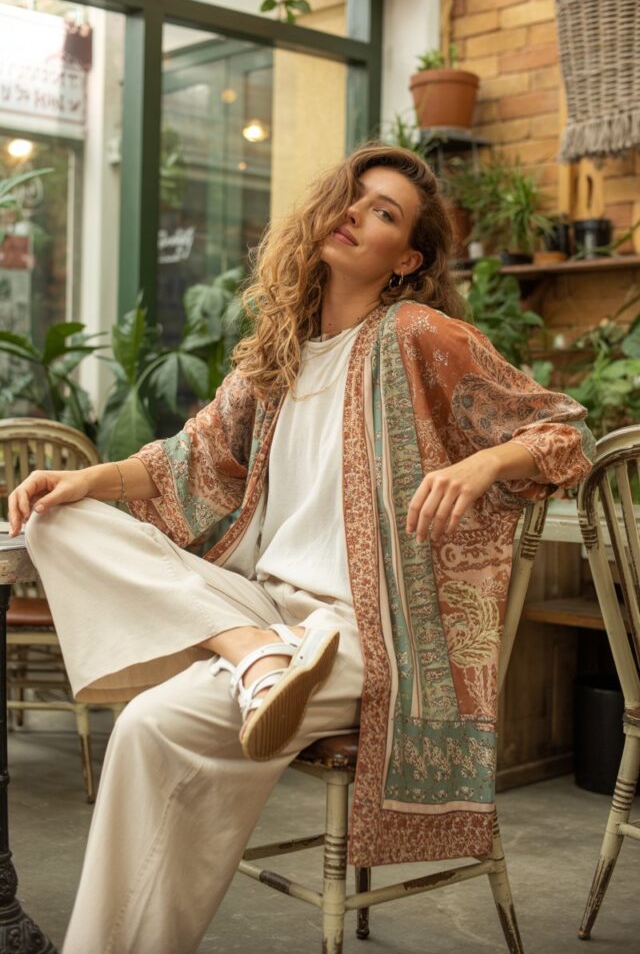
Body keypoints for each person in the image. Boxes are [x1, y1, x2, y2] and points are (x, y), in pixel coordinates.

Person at [8, 143, 595, 954]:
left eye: (383, 213)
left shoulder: (421, 334)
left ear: (407, 260)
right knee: (57, 517)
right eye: (352, 198)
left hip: (364, 634)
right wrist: (83, 480)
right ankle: (249, 653)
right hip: (264, 615)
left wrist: (487, 459)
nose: (356, 215)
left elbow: (565, 435)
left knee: (148, 726)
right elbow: (190, 458)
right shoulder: (278, 355)